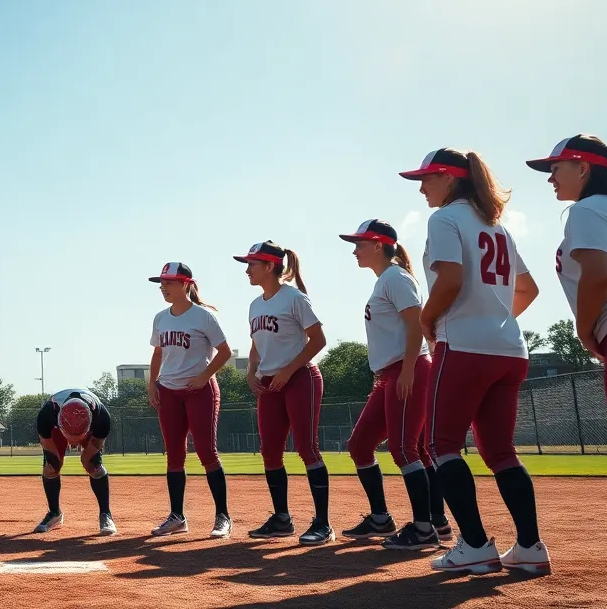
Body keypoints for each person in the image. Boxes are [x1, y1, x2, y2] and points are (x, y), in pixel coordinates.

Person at [400, 148, 547, 575]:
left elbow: (449, 279)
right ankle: (530, 547)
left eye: (427, 178)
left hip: (463, 346)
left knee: (441, 445)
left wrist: (429, 320)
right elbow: (529, 290)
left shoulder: (444, 219)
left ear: (450, 178)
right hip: (509, 350)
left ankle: (476, 545)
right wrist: (494, 319)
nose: (423, 187)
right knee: (501, 451)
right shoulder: (496, 226)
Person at [338, 221, 449, 551]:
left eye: (359, 244)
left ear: (377, 245)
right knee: (360, 445)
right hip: (391, 372)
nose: (354, 250)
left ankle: (425, 527)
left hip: (407, 368)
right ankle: (385, 519)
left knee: (405, 449)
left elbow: (417, 325)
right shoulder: (386, 280)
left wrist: (409, 369)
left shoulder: (396, 277)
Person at [527, 135, 607, 441]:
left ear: (582, 168)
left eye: (556, 168)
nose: (551, 178)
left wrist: (585, 333)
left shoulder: (587, 209)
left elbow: (597, 277)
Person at [237, 241, 333, 546]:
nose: (247, 269)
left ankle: (323, 524)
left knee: (306, 448)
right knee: (270, 452)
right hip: (269, 384)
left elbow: (319, 340)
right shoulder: (255, 304)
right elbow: (255, 346)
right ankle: (281, 519)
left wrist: (289, 370)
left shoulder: (293, 297)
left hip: (300, 378)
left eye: (252, 264)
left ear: (269, 266)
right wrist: (251, 373)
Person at [145, 263, 233, 539]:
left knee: (207, 453)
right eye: (161, 282)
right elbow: (158, 354)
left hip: (199, 390)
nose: (163, 287)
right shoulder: (161, 318)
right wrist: (152, 384)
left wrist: (205, 376)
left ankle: (222, 517)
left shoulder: (203, 317)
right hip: (169, 391)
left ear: (186, 284)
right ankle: (177, 517)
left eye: (169, 282)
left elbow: (224, 352)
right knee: (174, 455)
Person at [32, 388, 115, 536]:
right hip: (56, 431)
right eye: (70, 436)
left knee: (94, 466)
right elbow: (46, 442)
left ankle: (105, 514)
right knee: (51, 467)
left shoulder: (102, 417)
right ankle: (54, 513)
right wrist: (55, 461)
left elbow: (96, 443)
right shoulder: (46, 415)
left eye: (78, 436)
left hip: (89, 431)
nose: (74, 442)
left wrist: (86, 459)